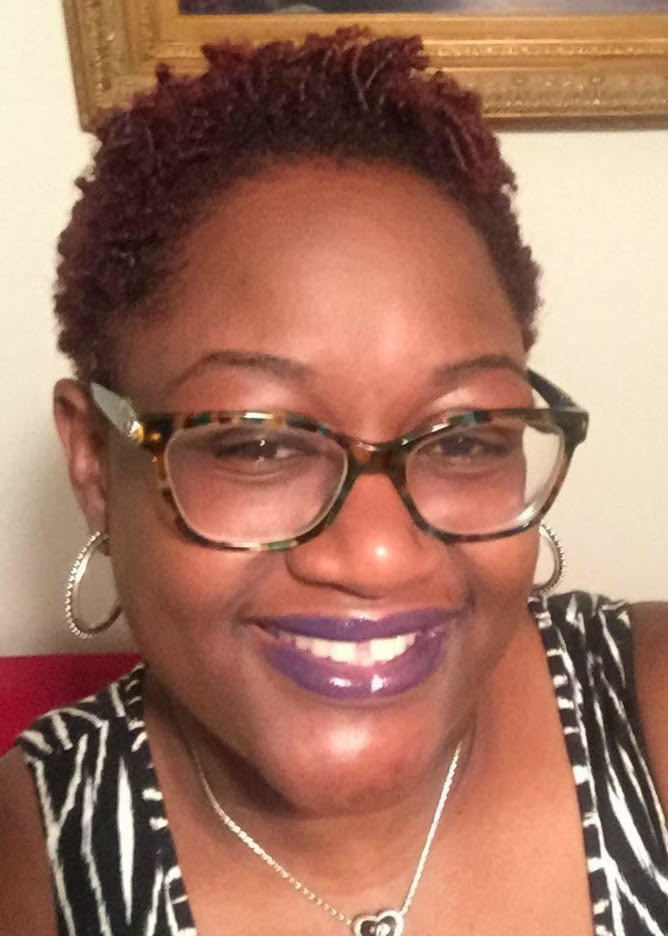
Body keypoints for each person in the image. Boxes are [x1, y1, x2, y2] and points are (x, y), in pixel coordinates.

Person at [0, 28, 666, 936]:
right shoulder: (32, 863)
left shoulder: (650, 712)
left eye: (466, 437)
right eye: (255, 444)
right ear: (93, 462)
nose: (381, 555)